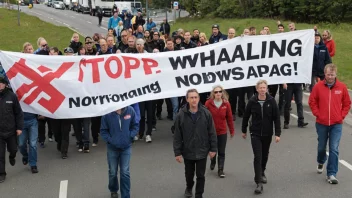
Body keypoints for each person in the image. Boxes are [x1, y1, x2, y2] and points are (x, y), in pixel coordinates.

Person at [308, 64, 351, 184]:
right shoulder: (318, 87)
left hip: (336, 124)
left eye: (332, 74)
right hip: (321, 123)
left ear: (335, 74)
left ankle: (331, 173)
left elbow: (347, 103)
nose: (330, 77)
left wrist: (341, 115)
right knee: (322, 147)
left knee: (334, 148)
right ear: (324, 74)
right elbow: (312, 101)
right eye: (328, 74)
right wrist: (317, 113)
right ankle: (321, 160)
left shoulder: (341, 87)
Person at [173, 89, 217, 198]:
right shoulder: (181, 115)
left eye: (195, 97)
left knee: (200, 175)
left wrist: (213, 149)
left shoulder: (206, 113)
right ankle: (189, 187)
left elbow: (212, 132)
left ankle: (199, 195)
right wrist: (177, 152)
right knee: (189, 174)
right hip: (188, 150)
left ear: (199, 98)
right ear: (187, 99)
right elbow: (177, 135)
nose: (194, 100)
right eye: (191, 97)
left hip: (202, 150)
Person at [241, 79, 281, 194]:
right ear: (257, 89)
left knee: (264, 155)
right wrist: (243, 130)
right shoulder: (252, 101)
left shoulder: (271, 101)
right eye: (260, 88)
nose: (262, 90)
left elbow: (276, 118)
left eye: (264, 88)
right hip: (255, 133)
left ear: (266, 88)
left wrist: (277, 133)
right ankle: (258, 182)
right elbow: (246, 116)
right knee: (257, 156)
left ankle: (262, 171)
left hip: (267, 134)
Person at [100, 106, 139, 198]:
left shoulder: (130, 110)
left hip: (126, 147)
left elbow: (135, 125)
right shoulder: (107, 113)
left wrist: (130, 136)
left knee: (125, 172)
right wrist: (110, 140)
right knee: (113, 172)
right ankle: (113, 190)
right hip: (112, 148)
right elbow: (103, 131)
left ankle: (125, 195)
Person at [18, 44, 39, 174]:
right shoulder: (16, 87)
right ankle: (25, 156)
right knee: (21, 145)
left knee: (33, 143)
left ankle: (33, 164)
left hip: (32, 120)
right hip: (21, 121)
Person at [205, 86, 235, 178]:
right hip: (211, 132)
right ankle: (213, 160)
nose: (218, 93)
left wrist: (231, 130)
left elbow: (229, 118)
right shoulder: (208, 103)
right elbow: (204, 117)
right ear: (213, 93)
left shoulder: (226, 104)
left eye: (220, 91)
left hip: (222, 131)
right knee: (213, 150)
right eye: (216, 92)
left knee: (221, 151)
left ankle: (220, 169)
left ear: (222, 93)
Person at [0, 77, 24, 183]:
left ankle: (12, 156)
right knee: (0, 154)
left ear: (5, 84)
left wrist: (19, 128)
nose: (0, 85)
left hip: (11, 130)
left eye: (1, 83)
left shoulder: (11, 96)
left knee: (13, 149)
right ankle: (2, 174)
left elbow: (18, 113)